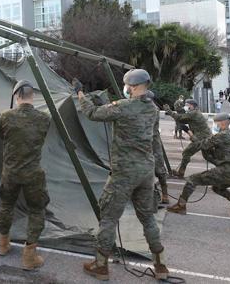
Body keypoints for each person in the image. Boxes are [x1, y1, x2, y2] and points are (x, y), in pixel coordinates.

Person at [78, 69, 168, 281]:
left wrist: (81, 96)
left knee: (108, 218)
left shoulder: (124, 107)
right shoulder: (152, 109)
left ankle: (100, 266)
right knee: (147, 218)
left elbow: (92, 113)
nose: (125, 89)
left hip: (124, 173)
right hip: (146, 171)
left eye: (127, 86)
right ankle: (161, 265)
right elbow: (155, 141)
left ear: (133, 86)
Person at [0, 80, 51, 270]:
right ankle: (29, 256)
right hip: (33, 174)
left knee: (6, 205)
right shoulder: (44, 118)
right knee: (36, 210)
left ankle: (3, 245)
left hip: (10, 172)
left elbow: (2, 137)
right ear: (32, 95)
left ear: (16, 95)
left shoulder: (4, 117)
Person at [168, 113, 230, 217]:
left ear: (222, 123)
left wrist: (190, 133)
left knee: (192, 179)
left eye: (216, 123)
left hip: (229, 171)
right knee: (217, 188)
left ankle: (180, 206)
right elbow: (211, 153)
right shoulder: (227, 135)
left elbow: (203, 145)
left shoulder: (223, 135)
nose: (214, 125)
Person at [163, 99, 212, 177]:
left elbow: (179, 117)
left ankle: (181, 172)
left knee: (187, 153)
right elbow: (184, 120)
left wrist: (169, 110)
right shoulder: (194, 113)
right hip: (204, 137)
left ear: (191, 105)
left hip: (201, 138)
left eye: (187, 105)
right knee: (209, 156)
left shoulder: (194, 113)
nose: (185, 107)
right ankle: (181, 172)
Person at [147, 91, 169, 204]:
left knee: (159, 170)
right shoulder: (149, 108)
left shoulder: (153, 109)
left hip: (153, 144)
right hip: (148, 143)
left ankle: (165, 195)